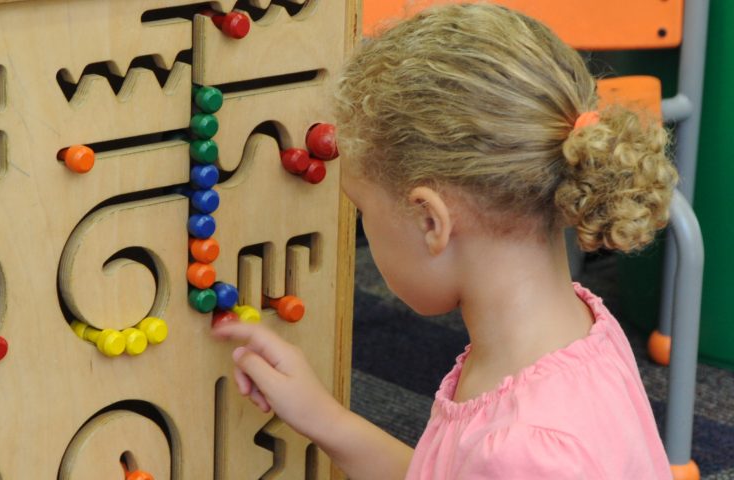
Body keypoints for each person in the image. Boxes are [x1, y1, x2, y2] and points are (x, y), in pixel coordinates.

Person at [213, 4, 677, 478]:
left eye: (362, 211)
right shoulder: (576, 330)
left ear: (430, 221)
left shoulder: (525, 452)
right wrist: (324, 418)